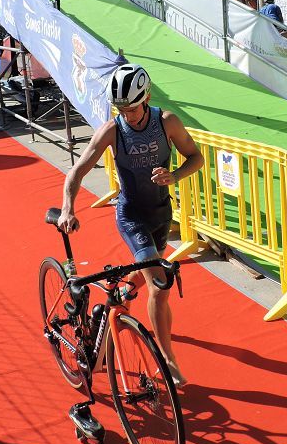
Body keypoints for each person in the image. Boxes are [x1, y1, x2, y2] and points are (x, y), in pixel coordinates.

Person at [56, 64, 202, 390]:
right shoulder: (112, 130)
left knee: (144, 274)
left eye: (133, 108)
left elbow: (196, 157)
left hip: (162, 214)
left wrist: (174, 176)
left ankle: (118, 295)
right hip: (131, 214)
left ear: (147, 97)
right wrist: (68, 208)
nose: (128, 115)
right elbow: (77, 171)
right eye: (121, 108)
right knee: (160, 285)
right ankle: (167, 360)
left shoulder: (167, 123)